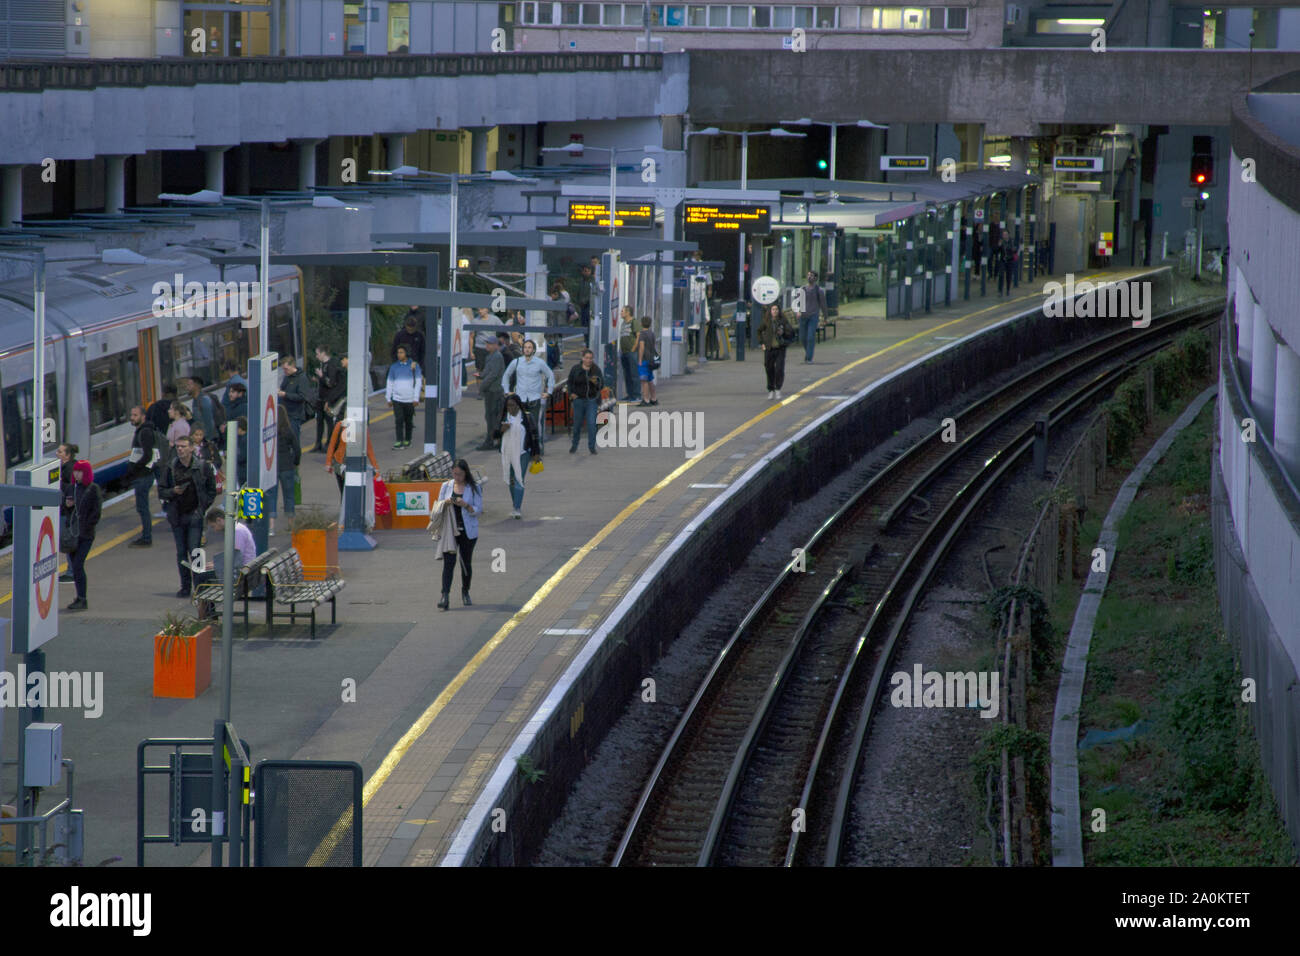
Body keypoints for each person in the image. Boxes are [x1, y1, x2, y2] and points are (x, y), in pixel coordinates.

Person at [158, 434, 217, 598]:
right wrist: (173, 492)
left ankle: (199, 584)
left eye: (183, 446)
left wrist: (202, 508)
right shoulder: (170, 467)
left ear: (191, 448)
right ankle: (185, 586)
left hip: (194, 515)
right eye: (178, 447)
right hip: (177, 516)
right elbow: (161, 490)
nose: (180, 449)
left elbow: (211, 490)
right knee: (181, 552)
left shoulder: (202, 466)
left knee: (195, 551)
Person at [431, 459, 482, 610]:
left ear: (465, 473)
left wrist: (466, 505)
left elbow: (478, 510)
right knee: (449, 563)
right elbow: (438, 505)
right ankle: (444, 595)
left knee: (466, 563)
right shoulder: (446, 486)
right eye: (454, 474)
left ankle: (465, 591)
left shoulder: (474, 488)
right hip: (450, 531)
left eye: (459, 474)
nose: (456, 477)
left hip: (468, 532)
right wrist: (446, 502)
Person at [503, 339, 555, 452]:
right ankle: (523, 448)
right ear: (522, 349)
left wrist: (549, 391)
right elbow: (506, 375)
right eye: (525, 347)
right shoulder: (516, 362)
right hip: (520, 399)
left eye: (529, 347)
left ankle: (536, 449)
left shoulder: (539, 363)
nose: (527, 349)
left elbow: (550, 375)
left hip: (534, 399)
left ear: (534, 350)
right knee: (520, 425)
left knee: (534, 425)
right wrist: (507, 390)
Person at [63, 460, 102, 611]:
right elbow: (65, 510)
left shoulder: (93, 489)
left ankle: (82, 598)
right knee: (75, 566)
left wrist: (86, 525)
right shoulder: (71, 488)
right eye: (75, 471)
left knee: (78, 565)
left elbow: (96, 512)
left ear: (86, 473)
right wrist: (67, 506)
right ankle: (79, 597)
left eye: (80, 471)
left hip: (86, 534)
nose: (76, 474)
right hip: (73, 535)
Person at [496, 393, 538, 520]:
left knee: (519, 479)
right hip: (507, 453)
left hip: (522, 453)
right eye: (508, 406)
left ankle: (517, 508)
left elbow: (535, 435)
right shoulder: (503, 417)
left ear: (519, 405)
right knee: (511, 480)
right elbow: (494, 435)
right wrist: (501, 430)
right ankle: (515, 504)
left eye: (513, 405)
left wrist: (536, 453)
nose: (511, 408)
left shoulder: (527, 417)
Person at [127, 405, 161, 547]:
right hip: (142, 475)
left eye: (135, 415)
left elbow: (147, 455)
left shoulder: (145, 432)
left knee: (142, 507)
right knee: (142, 507)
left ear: (143, 417)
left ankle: (147, 538)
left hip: (143, 475)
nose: (132, 418)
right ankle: (146, 536)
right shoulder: (143, 430)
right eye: (132, 415)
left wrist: (135, 468)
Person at [266, 404, 301, 536]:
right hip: (287, 467)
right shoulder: (288, 431)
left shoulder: (269, 432)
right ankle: (291, 525)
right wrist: (295, 462)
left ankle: (271, 527)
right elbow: (297, 449)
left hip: (273, 468)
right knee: (289, 496)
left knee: (272, 497)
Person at [325, 415, 379, 498]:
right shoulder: (340, 425)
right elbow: (331, 445)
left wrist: (375, 468)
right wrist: (328, 463)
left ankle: (350, 508)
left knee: (353, 493)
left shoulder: (363, 428)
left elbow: (369, 449)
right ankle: (345, 509)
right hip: (340, 464)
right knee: (344, 493)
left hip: (356, 465)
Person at [385, 344, 423, 449]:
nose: (399, 354)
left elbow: (418, 382)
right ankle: (399, 441)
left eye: (401, 352)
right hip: (397, 399)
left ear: (406, 353)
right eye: (398, 352)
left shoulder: (414, 366)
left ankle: (408, 440)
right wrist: (388, 398)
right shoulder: (394, 367)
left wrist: (416, 398)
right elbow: (390, 383)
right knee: (398, 420)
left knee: (408, 421)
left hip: (410, 399)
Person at [566, 348, 602, 455]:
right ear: (583, 358)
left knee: (591, 423)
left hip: (592, 400)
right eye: (587, 358)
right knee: (577, 424)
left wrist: (596, 383)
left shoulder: (596, 370)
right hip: (579, 400)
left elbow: (602, 384)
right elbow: (570, 382)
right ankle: (574, 444)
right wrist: (571, 394)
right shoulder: (576, 369)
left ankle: (591, 446)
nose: (589, 360)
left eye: (591, 358)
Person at [473, 336, 506, 451]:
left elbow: (493, 375)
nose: (487, 345)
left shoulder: (497, 356)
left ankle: (490, 441)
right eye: (487, 343)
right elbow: (487, 372)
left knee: (492, 417)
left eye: (490, 344)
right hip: (491, 390)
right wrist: (480, 375)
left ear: (496, 345)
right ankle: (495, 440)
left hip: (494, 391)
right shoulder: (490, 356)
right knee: (492, 416)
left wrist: (482, 386)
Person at [757, 303, 794, 400]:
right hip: (769, 348)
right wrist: (762, 343)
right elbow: (759, 330)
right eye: (773, 309)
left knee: (779, 368)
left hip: (780, 348)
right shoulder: (766, 321)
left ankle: (778, 388)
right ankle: (770, 389)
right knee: (769, 368)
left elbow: (790, 332)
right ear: (770, 311)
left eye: (776, 309)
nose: (775, 311)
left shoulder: (783, 321)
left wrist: (783, 333)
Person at [313, 345, 345, 452]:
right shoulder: (322, 364)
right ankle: (318, 444)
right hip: (320, 397)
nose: (316, 356)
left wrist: (321, 376)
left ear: (323, 353)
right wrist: (318, 379)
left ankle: (329, 443)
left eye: (317, 353)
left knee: (329, 421)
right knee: (319, 421)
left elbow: (330, 383)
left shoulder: (331, 365)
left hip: (328, 398)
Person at [56, 443, 79, 583]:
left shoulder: (68, 469)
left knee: (68, 541)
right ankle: (72, 570)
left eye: (60, 451)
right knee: (69, 540)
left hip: (67, 512)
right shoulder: (73, 466)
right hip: (70, 512)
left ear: (67, 455)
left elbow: (70, 488)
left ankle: (71, 572)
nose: (57, 453)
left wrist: (58, 484)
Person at [278, 355, 314, 442]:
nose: (284, 371)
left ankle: (295, 455)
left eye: (286, 369)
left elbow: (302, 397)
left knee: (294, 439)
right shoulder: (287, 377)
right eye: (283, 369)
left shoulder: (302, 378)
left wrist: (285, 394)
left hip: (295, 415)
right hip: (285, 413)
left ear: (292, 366)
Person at [798, 271, 828, 363]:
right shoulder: (803, 289)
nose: (809, 277)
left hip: (813, 316)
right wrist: (799, 311)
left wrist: (825, 317)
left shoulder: (819, 291)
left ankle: (809, 358)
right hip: (803, 316)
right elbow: (799, 302)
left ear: (815, 278)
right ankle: (808, 353)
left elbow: (823, 304)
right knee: (802, 337)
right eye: (808, 275)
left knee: (810, 337)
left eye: (811, 276)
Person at [618, 306, 641, 403]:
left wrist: (633, 348)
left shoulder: (634, 322)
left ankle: (636, 395)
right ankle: (630, 394)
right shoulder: (623, 323)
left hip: (632, 352)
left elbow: (638, 336)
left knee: (634, 374)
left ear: (628, 313)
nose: (621, 313)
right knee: (627, 374)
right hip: (624, 352)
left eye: (622, 311)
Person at [636, 315, 658, 406]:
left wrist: (640, 360)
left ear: (641, 323)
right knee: (650, 380)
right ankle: (654, 398)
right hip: (651, 359)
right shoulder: (651, 333)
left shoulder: (642, 334)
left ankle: (646, 399)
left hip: (644, 360)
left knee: (643, 380)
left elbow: (641, 347)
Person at [997, 230, 1017, 297]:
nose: (1004, 236)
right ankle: (1000, 290)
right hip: (1003, 260)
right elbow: (998, 251)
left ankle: (1008, 290)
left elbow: (1015, 250)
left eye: (1006, 234)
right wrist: (999, 246)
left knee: (1008, 276)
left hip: (1010, 260)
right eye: (1003, 235)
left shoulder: (1012, 241)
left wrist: (1013, 250)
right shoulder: (1001, 242)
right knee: (1001, 275)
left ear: (1008, 235)